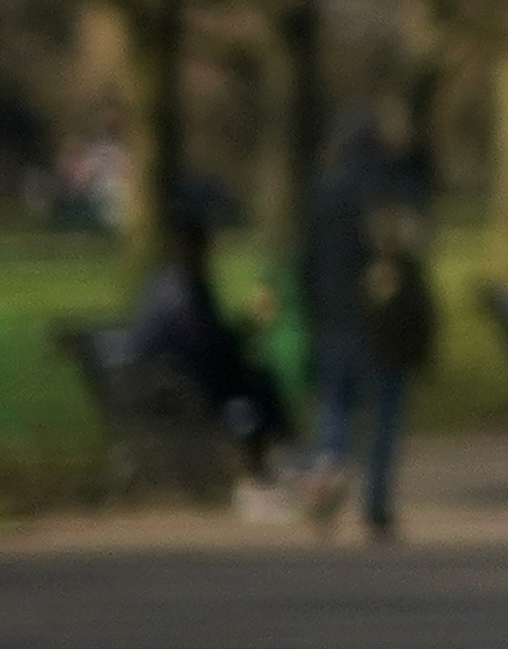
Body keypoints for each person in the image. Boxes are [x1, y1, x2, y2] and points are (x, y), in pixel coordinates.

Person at [297, 118, 436, 541]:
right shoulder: (391, 187)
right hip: (383, 320)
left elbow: (305, 262)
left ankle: (329, 464)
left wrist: (313, 309)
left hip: (333, 318)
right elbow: (414, 246)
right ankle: (375, 502)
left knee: (335, 405)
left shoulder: (323, 190)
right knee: (385, 415)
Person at [123, 186, 294, 468]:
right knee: (254, 388)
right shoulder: (182, 290)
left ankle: (279, 459)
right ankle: (277, 460)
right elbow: (206, 341)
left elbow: (210, 337)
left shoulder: (173, 284)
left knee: (255, 383)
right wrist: (242, 337)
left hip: (177, 380)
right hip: (179, 386)